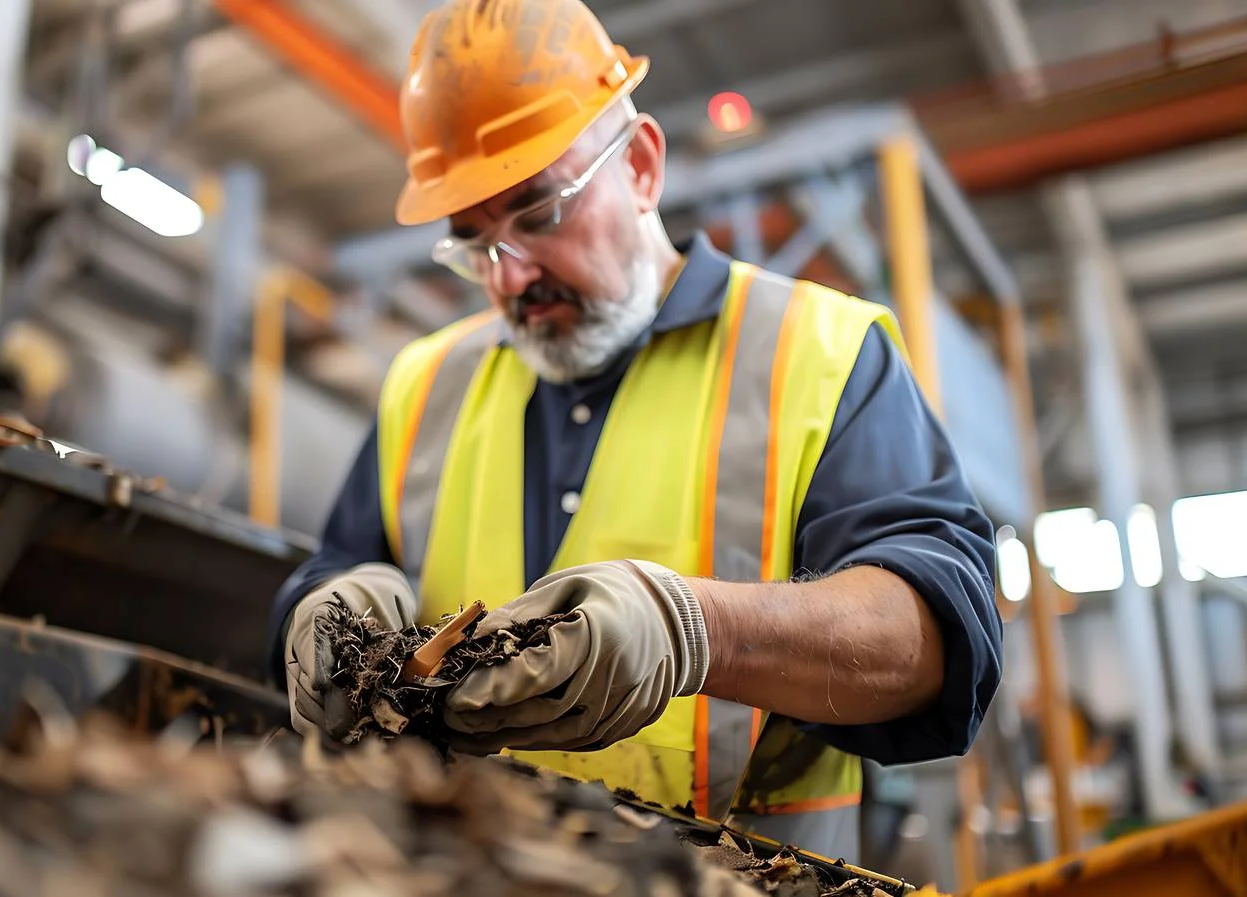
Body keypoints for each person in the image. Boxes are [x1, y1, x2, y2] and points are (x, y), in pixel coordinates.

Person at [267, 0, 1001, 862]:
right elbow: (335, 567)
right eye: (474, 243)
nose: (511, 277)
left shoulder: (821, 352)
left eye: (539, 212)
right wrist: (323, 608)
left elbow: (932, 639)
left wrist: (695, 629)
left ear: (643, 166)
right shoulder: (424, 385)